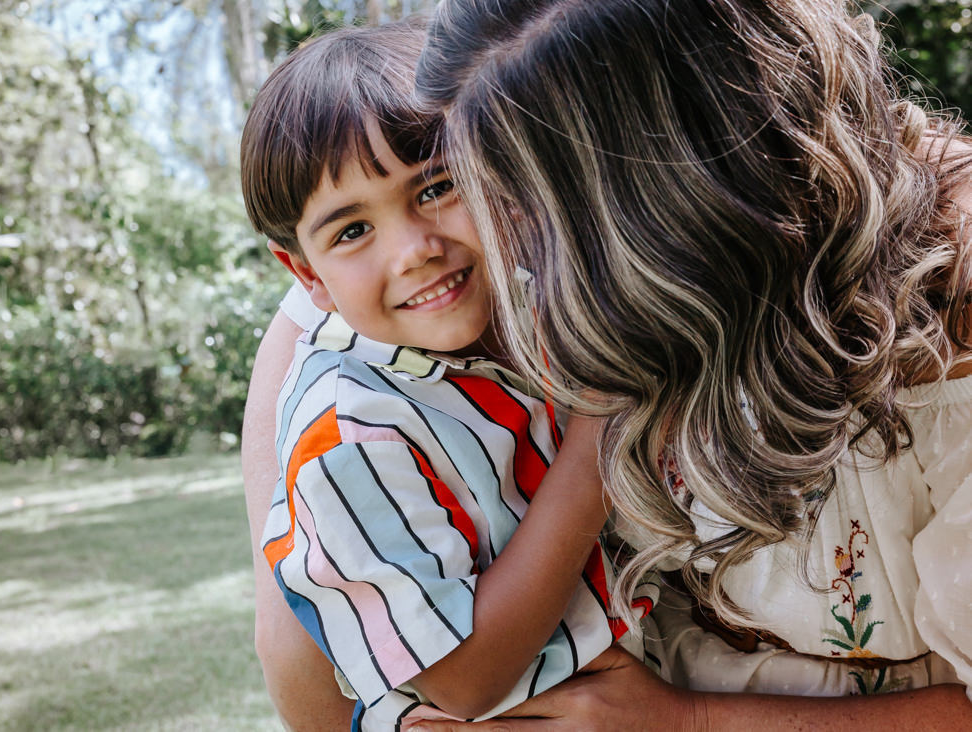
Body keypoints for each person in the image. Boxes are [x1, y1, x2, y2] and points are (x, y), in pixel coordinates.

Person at [244, 0, 972, 729]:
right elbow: (315, 680)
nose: (421, 250)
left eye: (448, 187)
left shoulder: (939, 323)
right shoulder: (382, 354)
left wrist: (684, 722)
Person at [239, 21, 657, 730]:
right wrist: (602, 434)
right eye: (352, 231)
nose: (414, 250)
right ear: (307, 276)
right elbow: (464, 680)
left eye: (435, 187)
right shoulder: (348, 437)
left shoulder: (540, 306)